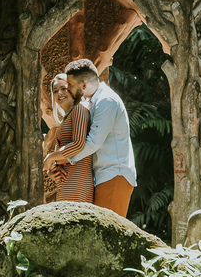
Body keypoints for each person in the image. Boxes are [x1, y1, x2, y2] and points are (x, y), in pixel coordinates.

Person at [46, 58, 136, 218]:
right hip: (103, 176)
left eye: (70, 86)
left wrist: (55, 158)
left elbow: (90, 144)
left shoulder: (106, 101)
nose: (69, 90)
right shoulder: (93, 103)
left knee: (108, 236)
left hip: (115, 174)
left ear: (84, 85)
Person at [42, 73, 94, 203]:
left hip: (78, 183)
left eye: (63, 88)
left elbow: (78, 145)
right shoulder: (66, 119)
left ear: (72, 88)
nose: (59, 93)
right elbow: (61, 155)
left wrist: (50, 158)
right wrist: (52, 171)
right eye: (55, 91)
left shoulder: (79, 110)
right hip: (66, 185)